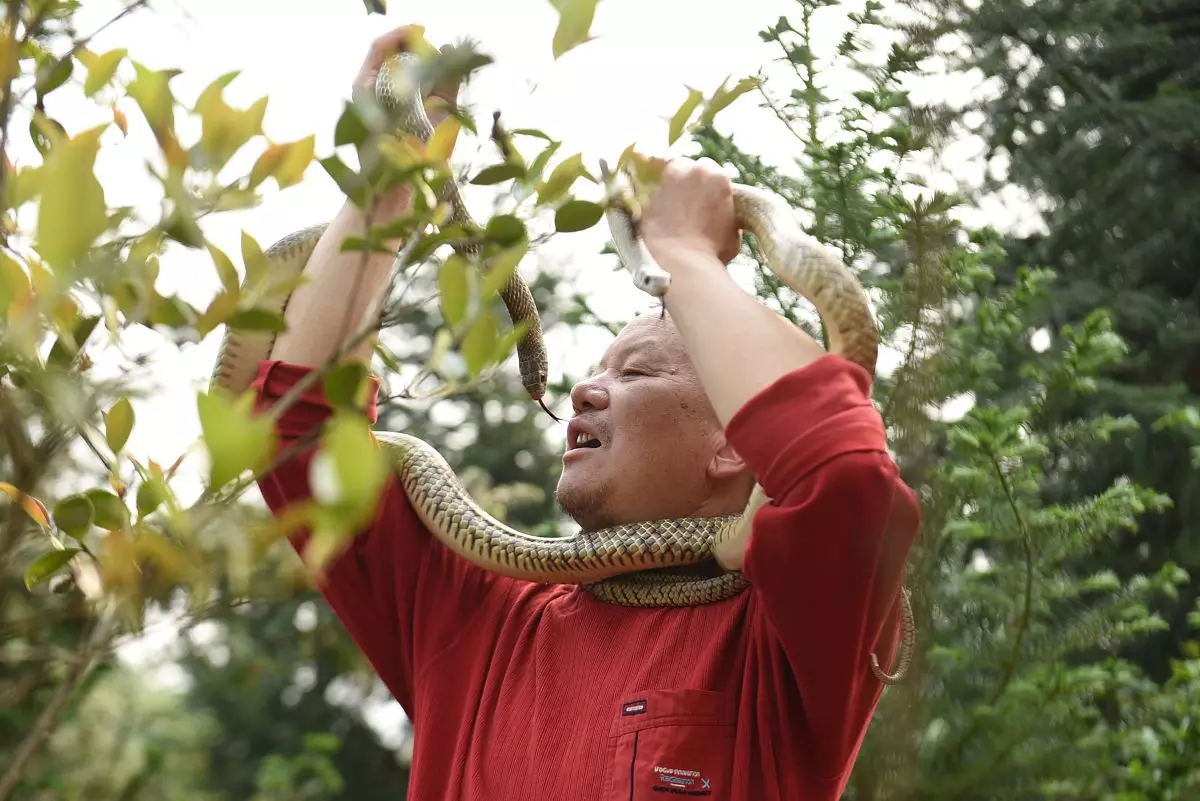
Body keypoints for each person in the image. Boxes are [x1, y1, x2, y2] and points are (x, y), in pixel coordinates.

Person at [250, 24, 920, 801]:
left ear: (737, 443)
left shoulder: (793, 639)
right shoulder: (475, 618)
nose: (585, 390)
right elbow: (301, 437)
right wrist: (392, 183)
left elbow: (843, 480)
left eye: (636, 370)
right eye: (597, 368)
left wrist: (685, 255)